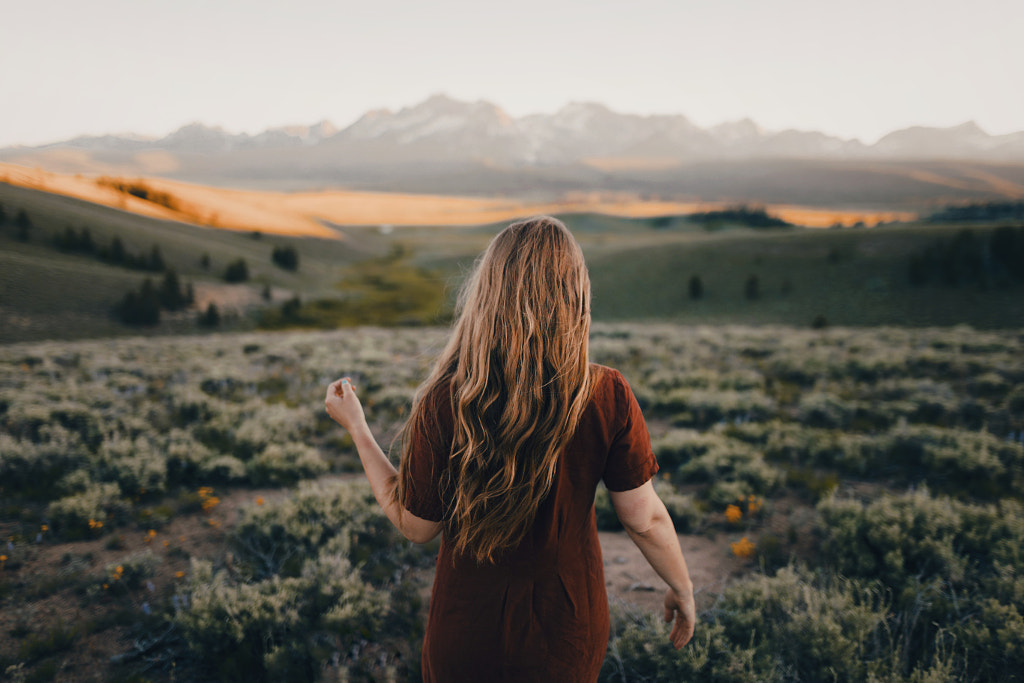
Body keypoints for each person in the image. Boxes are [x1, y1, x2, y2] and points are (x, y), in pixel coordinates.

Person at [325, 216, 695, 681]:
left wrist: (358, 428)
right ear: (574, 296)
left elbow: (417, 526)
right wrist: (681, 586)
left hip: (467, 632)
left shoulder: (448, 399)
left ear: (489, 294)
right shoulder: (605, 394)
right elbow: (644, 518)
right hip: (566, 633)